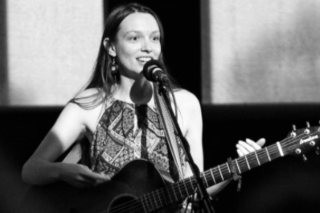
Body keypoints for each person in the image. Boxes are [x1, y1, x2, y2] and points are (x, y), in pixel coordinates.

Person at [22, 2, 265, 212]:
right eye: (134, 38)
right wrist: (63, 171)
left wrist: (238, 165)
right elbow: (31, 169)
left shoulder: (184, 104)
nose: (148, 46)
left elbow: (194, 188)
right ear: (111, 47)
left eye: (154, 38)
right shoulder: (89, 104)